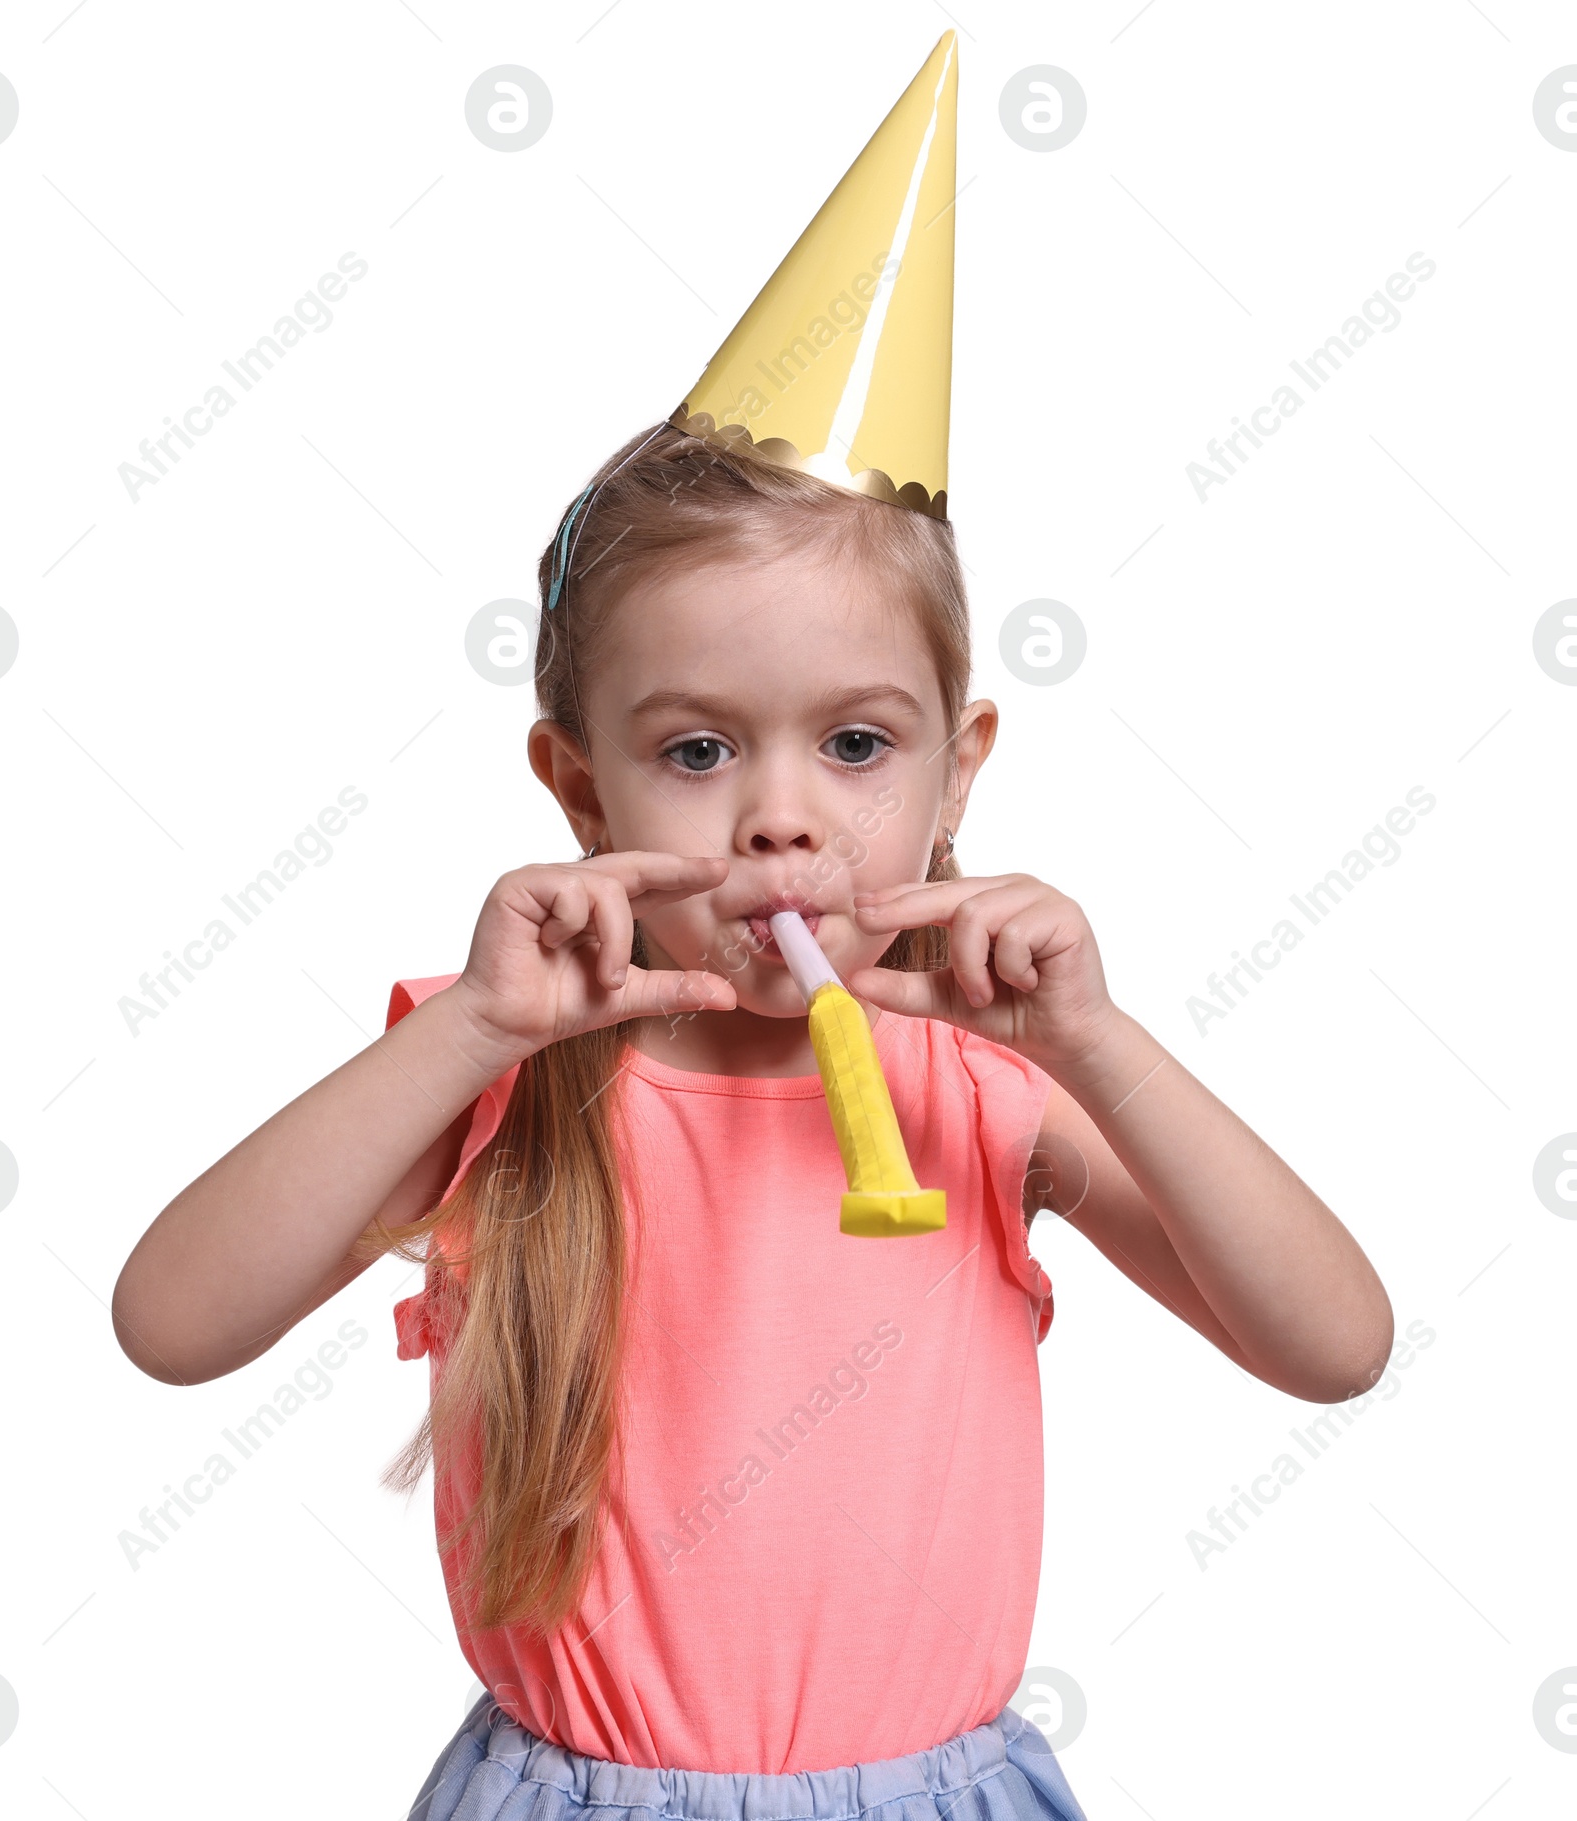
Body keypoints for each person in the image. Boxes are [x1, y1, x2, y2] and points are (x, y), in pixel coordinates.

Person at [111, 31, 1393, 1821]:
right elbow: (169, 1322)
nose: (784, 810)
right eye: (699, 747)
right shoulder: (507, 1068)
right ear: (580, 791)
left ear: (960, 773)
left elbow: (1334, 1343)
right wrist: (466, 1037)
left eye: (857, 744)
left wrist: (1097, 1040)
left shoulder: (984, 1085)